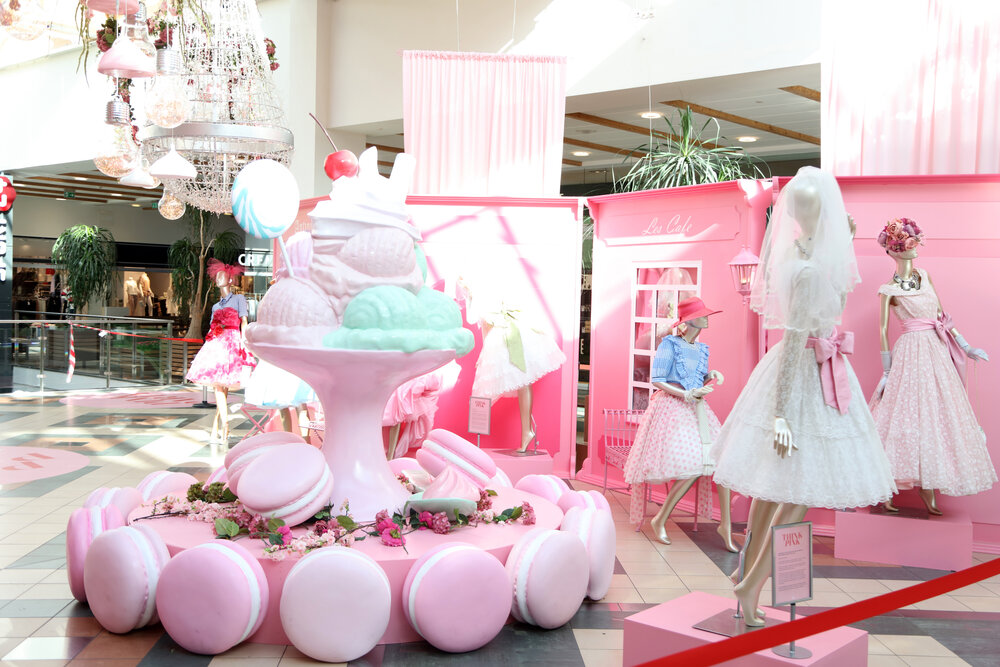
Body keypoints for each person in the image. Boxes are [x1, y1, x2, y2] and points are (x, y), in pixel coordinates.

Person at [711, 167, 895, 625]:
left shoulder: (801, 251)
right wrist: (781, 413)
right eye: (813, 205)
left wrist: (844, 241)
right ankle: (750, 585)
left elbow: (828, 308)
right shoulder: (807, 267)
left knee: (777, 489)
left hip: (814, 369)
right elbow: (795, 340)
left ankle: (746, 578)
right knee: (794, 496)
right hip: (802, 376)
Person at [869, 218, 995, 514]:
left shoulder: (925, 276)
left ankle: (928, 485)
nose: (914, 248)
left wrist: (965, 345)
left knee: (937, 414)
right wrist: (887, 371)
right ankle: (886, 483)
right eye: (908, 243)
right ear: (894, 250)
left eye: (914, 242)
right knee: (903, 416)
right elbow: (883, 331)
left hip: (936, 351)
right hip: (909, 352)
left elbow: (941, 315)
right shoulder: (888, 290)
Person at [623, 297, 737, 552]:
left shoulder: (702, 348)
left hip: (697, 408)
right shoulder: (670, 344)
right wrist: (685, 394)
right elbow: (657, 379)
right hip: (673, 408)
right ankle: (660, 518)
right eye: (703, 315)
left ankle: (726, 526)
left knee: (721, 460)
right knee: (693, 466)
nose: (707, 319)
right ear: (690, 320)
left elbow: (695, 380)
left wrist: (710, 376)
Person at [460, 277, 566, 452]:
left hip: (507, 334)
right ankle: (527, 431)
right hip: (508, 333)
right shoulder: (488, 289)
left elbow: (480, 321)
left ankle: (527, 431)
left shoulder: (483, 291)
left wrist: (470, 296)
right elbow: (483, 322)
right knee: (523, 380)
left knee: (523, 379)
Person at [186, 260, 256, 443]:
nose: (218, 279)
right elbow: (212, 327)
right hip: (217, 345)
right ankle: (223, 426)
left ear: (230, 280)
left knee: (222, 388)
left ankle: (220, 427)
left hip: (232, 342)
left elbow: (244, 321)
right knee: (219, 387)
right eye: (216, 277)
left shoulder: (239, 299)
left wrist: (244, 341)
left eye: (222, 276)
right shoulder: (215, 306)